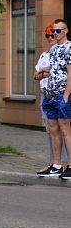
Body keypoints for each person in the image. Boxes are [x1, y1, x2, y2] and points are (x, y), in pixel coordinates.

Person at [35, 23, 68, 176]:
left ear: (65, 31)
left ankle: (69, 166)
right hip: (50, 94)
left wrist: (66, 95)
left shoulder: (69, 48)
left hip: (62, 94)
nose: (54, 33)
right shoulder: (53, 50)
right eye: (52, 31)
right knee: (53, 128)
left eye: (57, 31)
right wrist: (44, 71)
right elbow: (55, 69)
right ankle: (56, 164)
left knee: (65, 129)